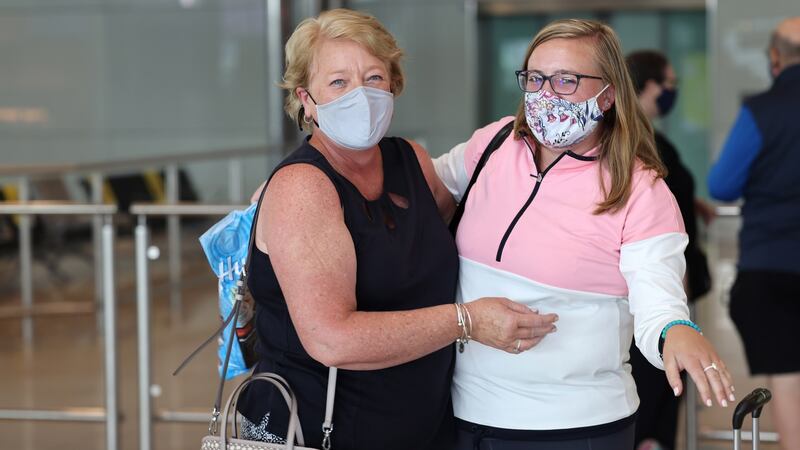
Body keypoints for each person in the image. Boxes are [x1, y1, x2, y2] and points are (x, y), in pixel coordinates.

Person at [236, 9, 555, 450]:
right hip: (318, 430)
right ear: (307, 100)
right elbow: (331, 339)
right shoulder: (304, 187)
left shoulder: (411, 161)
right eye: (339, 83)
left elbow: (459, 228)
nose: (360, 96)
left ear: (393, 85)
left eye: (373, 78)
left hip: (421, 423)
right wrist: (467, 321)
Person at [433, 19, 735, 450]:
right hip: (465, 414)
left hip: (575, 427)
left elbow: (657, 296)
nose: (545, 95)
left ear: (608, 95)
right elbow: (420, 187)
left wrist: (675, 330)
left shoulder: (639, 188)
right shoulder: (495, 144)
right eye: (535, 79)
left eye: (566, 80)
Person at [708, 16, 800, 450]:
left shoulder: (762, 111)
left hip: (771, 265)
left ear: (775, 58)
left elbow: (722, 185)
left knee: (787, 377)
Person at [626, 49, 714, 450]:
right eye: (669, 83)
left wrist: (694, 204)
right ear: (646, 85)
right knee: (654, 385)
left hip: (669, 287)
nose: (673, 91)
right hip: (655, 291)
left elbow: (668, 195)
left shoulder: (649, 138)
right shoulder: (634, 141)